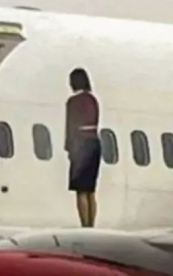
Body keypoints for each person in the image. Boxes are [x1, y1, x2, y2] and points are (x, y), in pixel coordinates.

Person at [65, 68, 101, 227]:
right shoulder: (93, 99)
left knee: (80, 190)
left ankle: (84, 224)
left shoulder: (73, 102)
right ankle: (91, 224)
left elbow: (70, 126)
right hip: (94, 143)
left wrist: (69, 148)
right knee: (91, 191)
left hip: (81, 144)